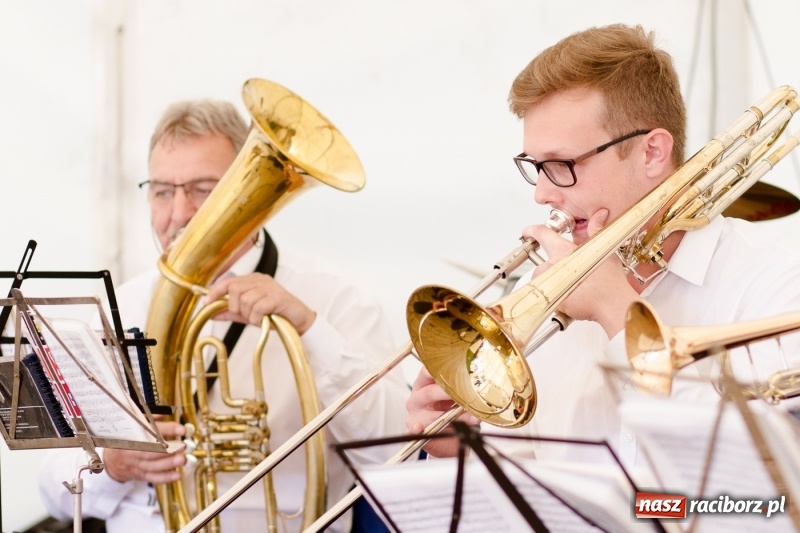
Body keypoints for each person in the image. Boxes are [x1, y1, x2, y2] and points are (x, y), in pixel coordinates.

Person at [406, 23, 800, 469]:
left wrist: (617, 311)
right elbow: (525, 485)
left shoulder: (776, 280)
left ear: (652, 152)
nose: (542, 193)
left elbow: (757, 480)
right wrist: (466, 454)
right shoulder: (544, 295)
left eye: (561, 164)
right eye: (536, 166)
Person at [38, 99, 408, 532]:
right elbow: (53, 492)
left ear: (243, 191)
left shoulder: (333, 297)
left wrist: (310, 328)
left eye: (201, 189)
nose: (178, 214)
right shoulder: (122, 304)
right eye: (162, 191)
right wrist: (111, 465)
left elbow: (392, 457)